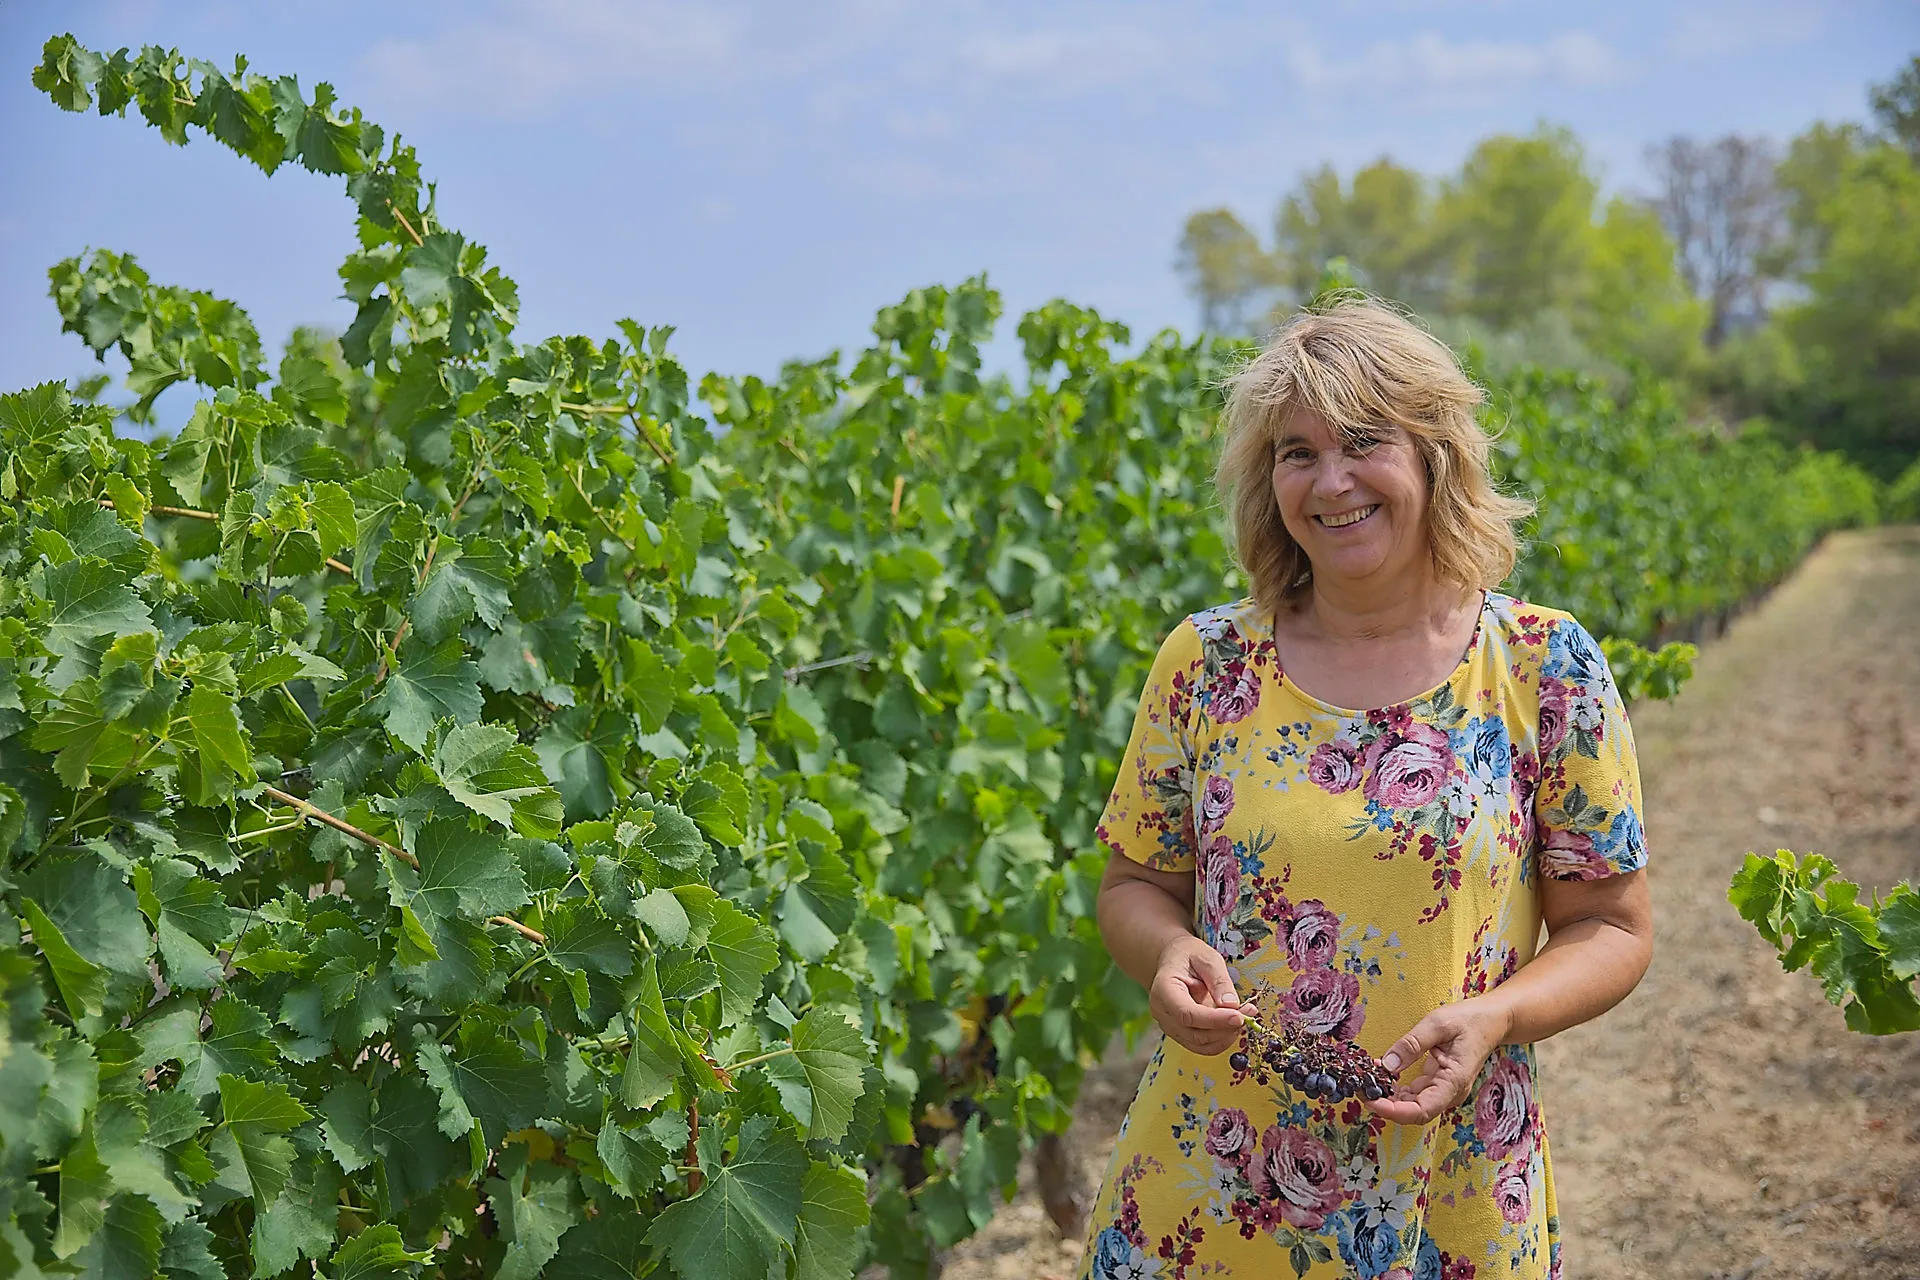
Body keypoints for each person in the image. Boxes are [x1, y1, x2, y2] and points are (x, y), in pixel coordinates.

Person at [1079, 298, 1653, 1280]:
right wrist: (1170, 950)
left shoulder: (1541, 664)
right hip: (1211, 1193)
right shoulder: (1207, 661)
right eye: (1295, 452)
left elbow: (1613, 926)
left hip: (1450, 1194)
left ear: (1434, 455)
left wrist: (1496, 1018)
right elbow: (1135, 885)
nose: (1331, 479)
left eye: (1363, 441)